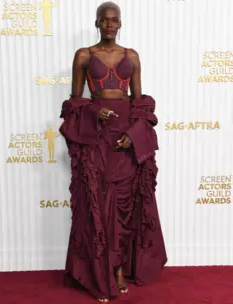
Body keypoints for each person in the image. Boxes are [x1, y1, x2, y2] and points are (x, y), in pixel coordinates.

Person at [59, 2, 167, 302]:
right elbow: (74, 103)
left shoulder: (131, 56)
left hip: (124, 139)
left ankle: (118, 269)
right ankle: (99, 273)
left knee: (124, 204)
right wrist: (95, 112)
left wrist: (134, 137)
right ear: (96, 23)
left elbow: (139, 102)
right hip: (97, 137)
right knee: (98, 203)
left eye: (114, 20)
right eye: (104, 20)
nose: (109, 25)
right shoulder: (83, 55)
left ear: (120, 23)